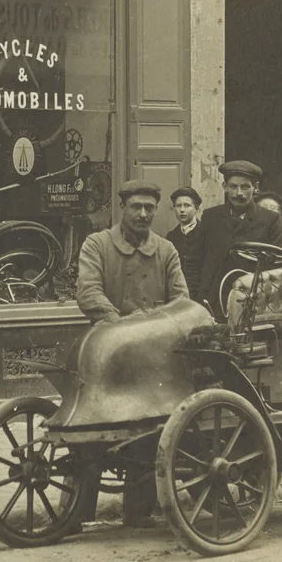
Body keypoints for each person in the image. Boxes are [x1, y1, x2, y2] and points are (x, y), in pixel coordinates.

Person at [75, 179, 188, 528]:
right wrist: (121, 328)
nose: (142, 214)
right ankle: (75, 515)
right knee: (90, 433)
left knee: (151, 428)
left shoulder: (166, 250)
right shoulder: (97, 245)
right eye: (136, 207)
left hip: (155, 355)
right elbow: (89, 292)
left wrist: (154, 332)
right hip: (107, 351)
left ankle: (137, 515)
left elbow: (181, 299)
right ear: (122, 208)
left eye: (149, 208)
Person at [190, 161, 282, 319]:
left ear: (255, 187)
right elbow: (195, 259)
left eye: (245, 187)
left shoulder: (270, 219)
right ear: (224, 186)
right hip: (212, 299)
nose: (239, 193)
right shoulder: (211, 217)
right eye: (233, 187)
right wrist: (196, 299)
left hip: (253, 299)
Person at [165, 186, 203, 291]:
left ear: (196, 208)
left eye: (187, 205)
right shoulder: (171, 237)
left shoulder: (206, 233)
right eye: (178, 206)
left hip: (202, 295)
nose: (182, 210)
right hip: (179, 294)